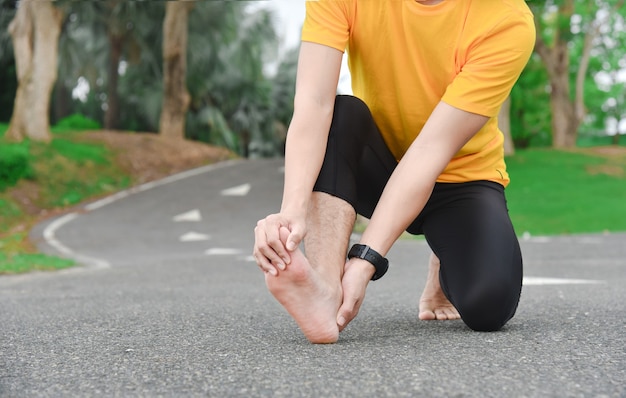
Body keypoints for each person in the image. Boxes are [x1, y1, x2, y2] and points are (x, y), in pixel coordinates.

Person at [253, 0, 535, 344]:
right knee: (340, 115)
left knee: (488, 306)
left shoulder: (506, 20)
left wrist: (365, 259)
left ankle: (442, 260)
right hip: (380, 164)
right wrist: (291, 213)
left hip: (459, 177)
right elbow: (314, 103)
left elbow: (431, 149)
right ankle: (324, 288)